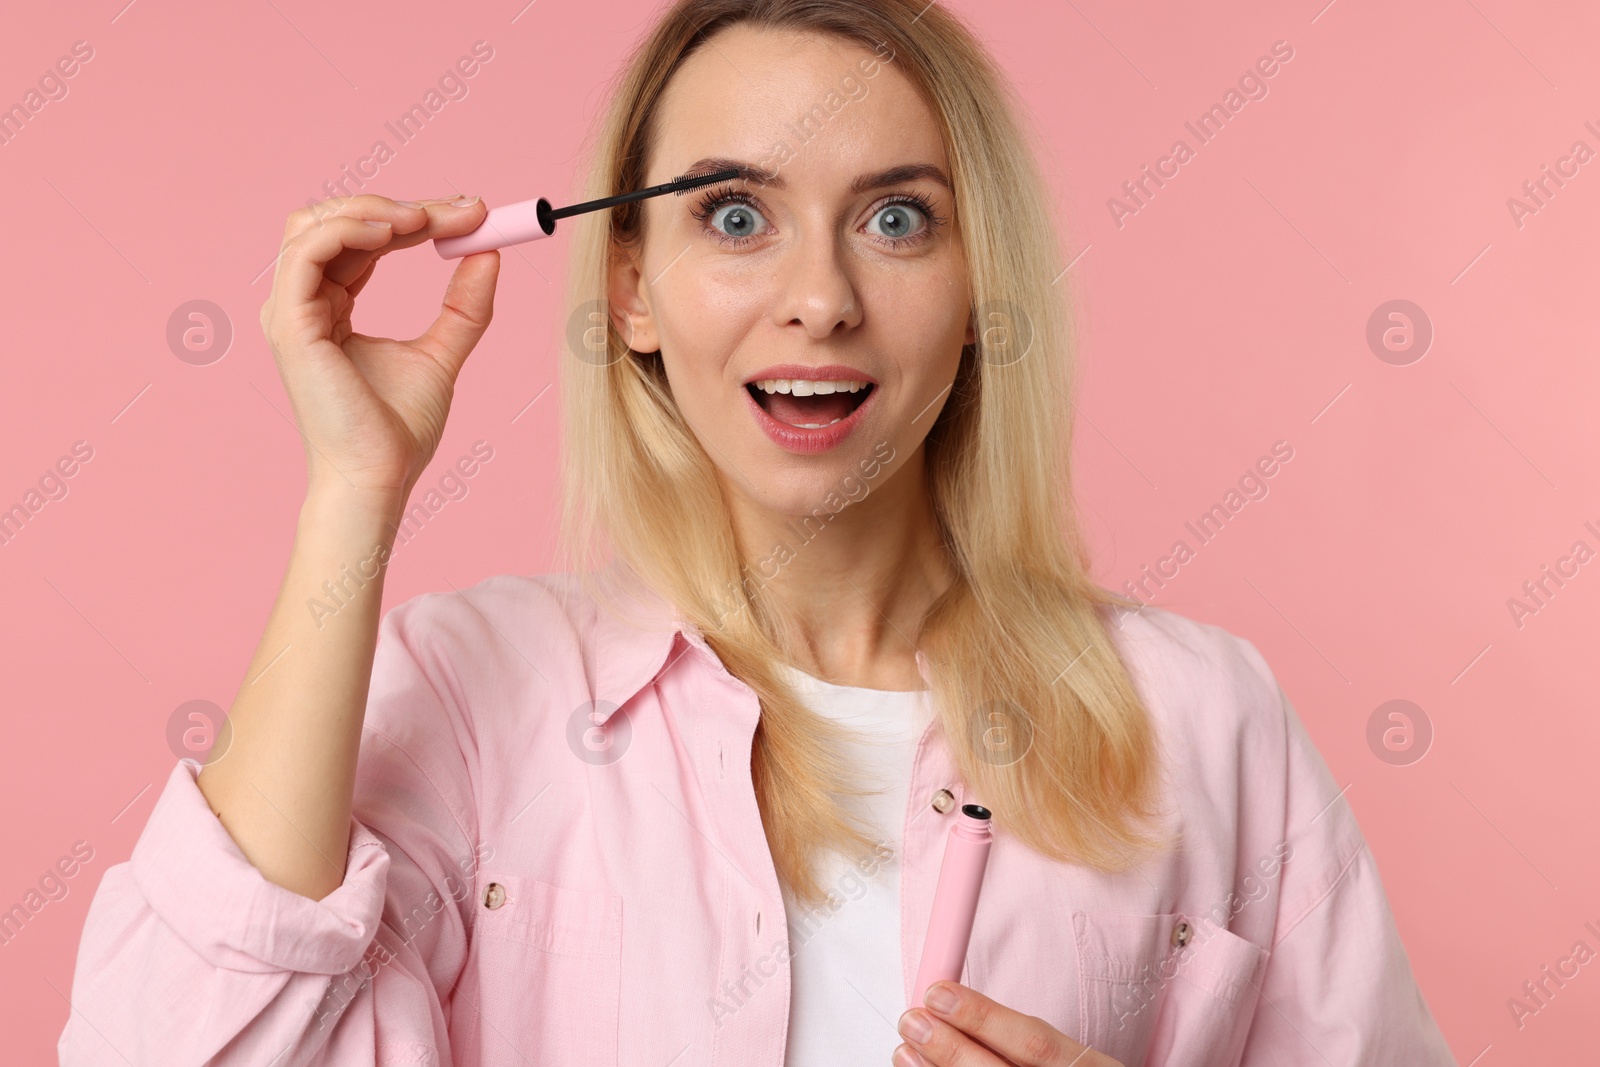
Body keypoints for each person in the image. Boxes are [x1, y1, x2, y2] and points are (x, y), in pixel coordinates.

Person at [58, 1, 1458, 1065]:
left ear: (980, 289)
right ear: (634, 291)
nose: (820, 299)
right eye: (736, 215)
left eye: (897, 219)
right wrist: (350, 494)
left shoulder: (1207, 717)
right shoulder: (474, 695)